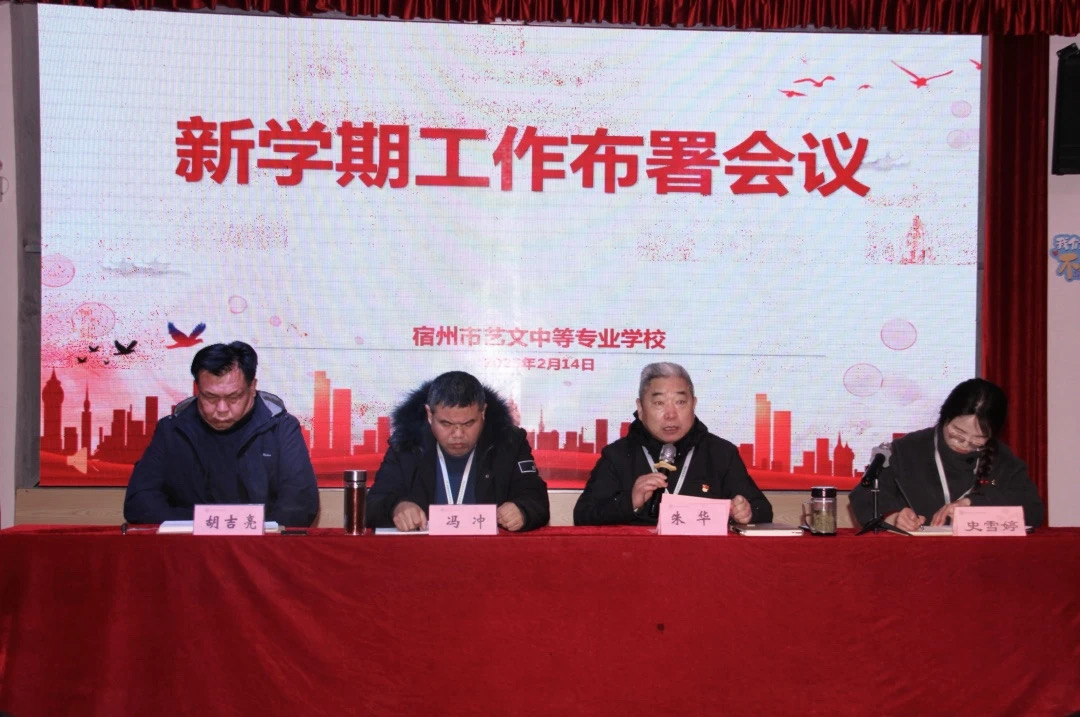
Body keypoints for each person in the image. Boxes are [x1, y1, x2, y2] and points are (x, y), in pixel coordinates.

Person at [123, 341, 319, 526]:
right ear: (197, 388)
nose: (222, 409)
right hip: (189, 545)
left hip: (260, 546)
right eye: (210, 397)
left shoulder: (281, 428)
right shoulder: (172, 430)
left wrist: (238, 527)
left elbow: (300, 507)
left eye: (234, 397)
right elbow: (139, 503)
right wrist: (207, 524)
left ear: (252, 388)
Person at [574, 362, 772, 526]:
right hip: (636, 558)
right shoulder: (617, 455)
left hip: (705, 558)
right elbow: (583, 515)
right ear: (640, 408)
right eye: (659, 403)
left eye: (680, 402)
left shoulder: (721, 453)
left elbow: (763, 510)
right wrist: (630, 501)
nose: (670, 414)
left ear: (694, 404)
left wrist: (746, 512)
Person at [850, 378, 1045, 531]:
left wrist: (975, 504)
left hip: (984, 557)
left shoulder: (1002, 458)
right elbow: (864, 496)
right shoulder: (907, 449)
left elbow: (1033, 509)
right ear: (945, 416)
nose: (965, 444)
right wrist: (893, 517)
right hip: (916, 556)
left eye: (978, 440)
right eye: (957, 434)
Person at [366, 371, 550, 532]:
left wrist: (523, 510)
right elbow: (372, 504)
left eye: (469, 423)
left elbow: (536, 498)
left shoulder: (508, 443)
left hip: (488, 553)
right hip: (423, 553)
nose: (458, 434)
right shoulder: (408, 445)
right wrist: (396, 507)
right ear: (429, 415)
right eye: (446, 424)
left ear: (483, 413)